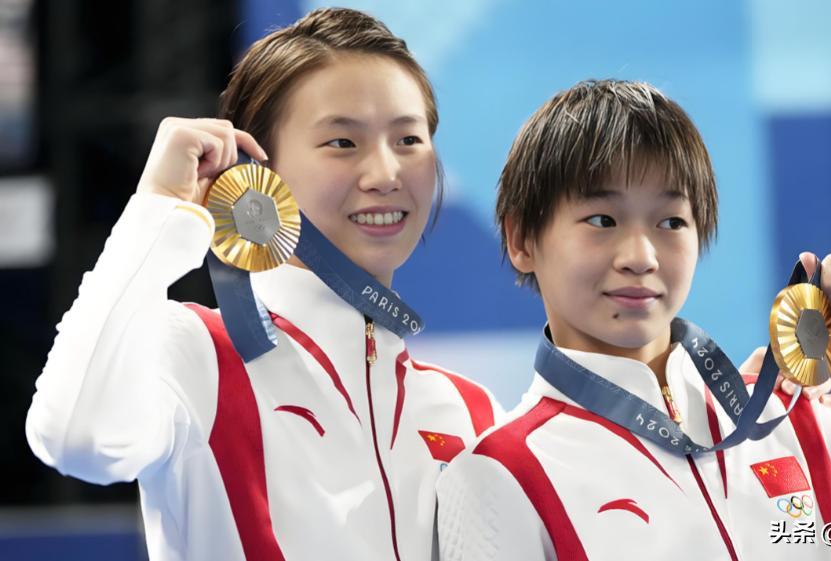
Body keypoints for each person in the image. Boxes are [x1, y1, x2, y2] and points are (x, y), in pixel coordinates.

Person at [25, 8, 502, 561]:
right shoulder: (197, 355)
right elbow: (76, 438)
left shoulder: (470, 412)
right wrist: (158, 213)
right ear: (259, 173)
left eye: (409, 139)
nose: (385, 174)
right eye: (342, 142)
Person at [435, 79, 831, 560]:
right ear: (522, 239)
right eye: (602, 220)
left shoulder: (792, 423)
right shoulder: (500, 475)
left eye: (670, 222)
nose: (641, 256)